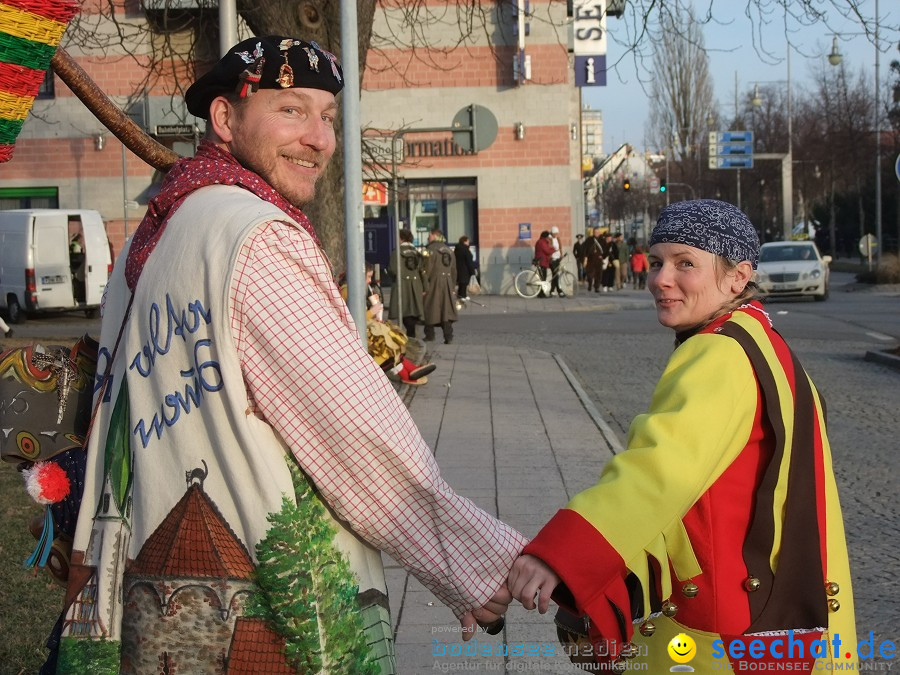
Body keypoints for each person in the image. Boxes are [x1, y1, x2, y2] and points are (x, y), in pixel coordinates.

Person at [55, 36, 524, 674]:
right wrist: (477, 562)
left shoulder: (159, 233)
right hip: (267, 612)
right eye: (291, 110)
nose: (321, 139)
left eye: (327, 117)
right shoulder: (256, 239)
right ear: (226, 119)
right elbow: (355, 432)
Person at [508, 200, 856, 672]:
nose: (660, 279)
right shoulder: (761, 340)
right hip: (775, 606)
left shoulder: (718, 354)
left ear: (738, 276)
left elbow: (658, 473)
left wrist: (560, 556)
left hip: (720, 627)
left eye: (685, 263)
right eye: (656, 263)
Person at [340, 263, 436, 386]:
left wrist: (374, 315)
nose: (370, 281)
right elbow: (354, 318)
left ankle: (411, 370)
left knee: (390, 337)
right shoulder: (348, 291)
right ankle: (407, 374)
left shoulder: (353, 289)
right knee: (385, 343)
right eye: (368, 277)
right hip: (357, 333)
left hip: (364, 329)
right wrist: (372, 312)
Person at [388, 227, 427, 338]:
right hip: (416, 285)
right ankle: (412, 334)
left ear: (401, 239)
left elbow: (393, 270)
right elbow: (423, 271)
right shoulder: (417, 253)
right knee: (414, 310)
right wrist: (425, 287)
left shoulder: (397, 252)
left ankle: (410, 336)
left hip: (402, 286)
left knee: (404, 310)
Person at [423, 228, 458, 344]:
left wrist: (424, 284)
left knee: (429, 307)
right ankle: (448, 336)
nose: (428, 237)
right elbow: (454, 270)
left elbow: (426, 268)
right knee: (445, 310)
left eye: (430, 235)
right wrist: (452, 286)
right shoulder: (449, 250)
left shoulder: (429, 249)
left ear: (435, 236)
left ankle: (429, 335)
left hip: (434, 282)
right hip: (447, 282)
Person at [583, 227, 605, 293]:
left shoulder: (602, 240)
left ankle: (596, 287)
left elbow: (605, 249)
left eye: (598, 232)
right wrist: (585, 257)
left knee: (598, 274)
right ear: (593, 232)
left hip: (599, 260)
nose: (596, 233)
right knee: (590, 275)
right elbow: (585, 249)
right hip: (590, 260)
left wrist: (603, 256)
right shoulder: (589, 240)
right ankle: (590, 284)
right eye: (595, 232)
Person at [454, 235, 476, 300]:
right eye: (467, 241)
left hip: (458, 268)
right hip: (465, 269)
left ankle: (461, 295)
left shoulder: (457, 249)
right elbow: (469, 261)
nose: (468, 242)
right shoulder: (465, 249)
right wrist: (472, 271)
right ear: (464, 241)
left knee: (461, 283)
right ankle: (462, 295)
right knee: (464, 283)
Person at [534, 230, 553, 297]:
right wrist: (553, 249)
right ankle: (541, 294)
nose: (549, 238)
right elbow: (547, 251)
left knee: (543, 278)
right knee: (543, 278)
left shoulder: (541, 241)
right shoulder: (542, 242)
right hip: (542, 261)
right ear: (546, 236)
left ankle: (541, 293)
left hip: (542, 261)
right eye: (548, 236)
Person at [548, 226, 566, 297]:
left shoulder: (557, 238)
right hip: (552, 259)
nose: (556, 234)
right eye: (554, 233)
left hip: (558, 259)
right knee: (556, 275)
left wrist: (561, 255)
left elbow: (560, 247)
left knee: (554, 275)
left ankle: (552, 291)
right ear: (552, 233)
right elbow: (549, 248)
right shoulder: (549, 239)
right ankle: (559, 291)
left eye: (557, 233)